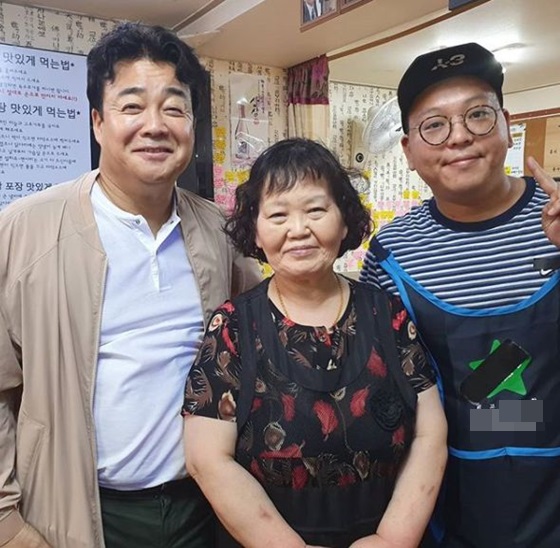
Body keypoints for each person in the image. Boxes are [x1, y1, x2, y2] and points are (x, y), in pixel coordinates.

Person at [0, 22, 261, 548]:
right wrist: (7, 522)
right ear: (98, 122)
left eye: (174, 107)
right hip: (77, 511)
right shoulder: (23, 231)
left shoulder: (219, 231)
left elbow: (261, 339)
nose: (155, 125)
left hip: (203, 506)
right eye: (132, 105)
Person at [182, 138, 447, 547]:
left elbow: (430, 436)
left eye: (316, 210)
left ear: (344, 221)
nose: (298, 230)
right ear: (256, 230)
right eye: (278, 214)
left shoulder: (387, 313)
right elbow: (207, 459)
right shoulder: (233, 327)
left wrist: (392, 540)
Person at [360, 42, 560, 547]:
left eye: (478, 115)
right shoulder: (392, 254)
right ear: (408, 150)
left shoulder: (556, 216)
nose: (460, 137)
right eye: (435, 125)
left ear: (507, 125)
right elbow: (379, 384)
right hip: (452, 503)